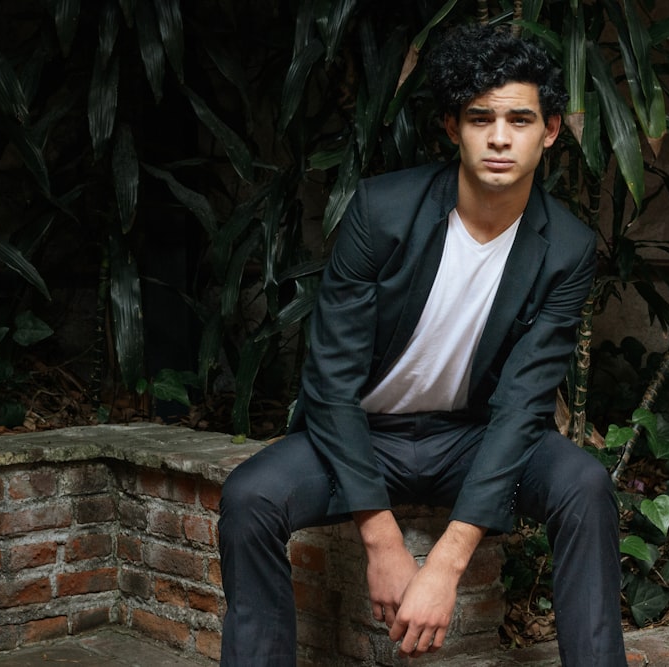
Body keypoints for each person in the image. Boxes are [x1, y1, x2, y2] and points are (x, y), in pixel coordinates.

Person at [217, 22, 626, 667]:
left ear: (549, 132)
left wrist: (446, 562)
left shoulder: (568, 249)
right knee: (250, 498)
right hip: (363, 435)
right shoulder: (382, 212)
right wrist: (383, 542)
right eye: (479, 118)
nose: (498, 138)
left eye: (520, 120)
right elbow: (331, 380)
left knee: (584, 485)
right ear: (451, 128)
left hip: (469, 439)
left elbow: (523, 403)